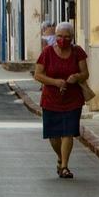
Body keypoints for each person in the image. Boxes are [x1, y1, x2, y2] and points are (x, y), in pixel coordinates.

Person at [33, 21, 88, 178]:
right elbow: (38, 74)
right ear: (55, 37)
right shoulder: (47, 53)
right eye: (59, 36)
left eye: (66, 37)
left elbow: (85, 73)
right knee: (54, 136)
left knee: (68, 132)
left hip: (72, 99)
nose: (62, 40)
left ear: (72, 37)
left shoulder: (78, 52)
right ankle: (60, 157)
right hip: (51, 99)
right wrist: (55, 82)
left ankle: (64, 166)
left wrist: (77, 76)